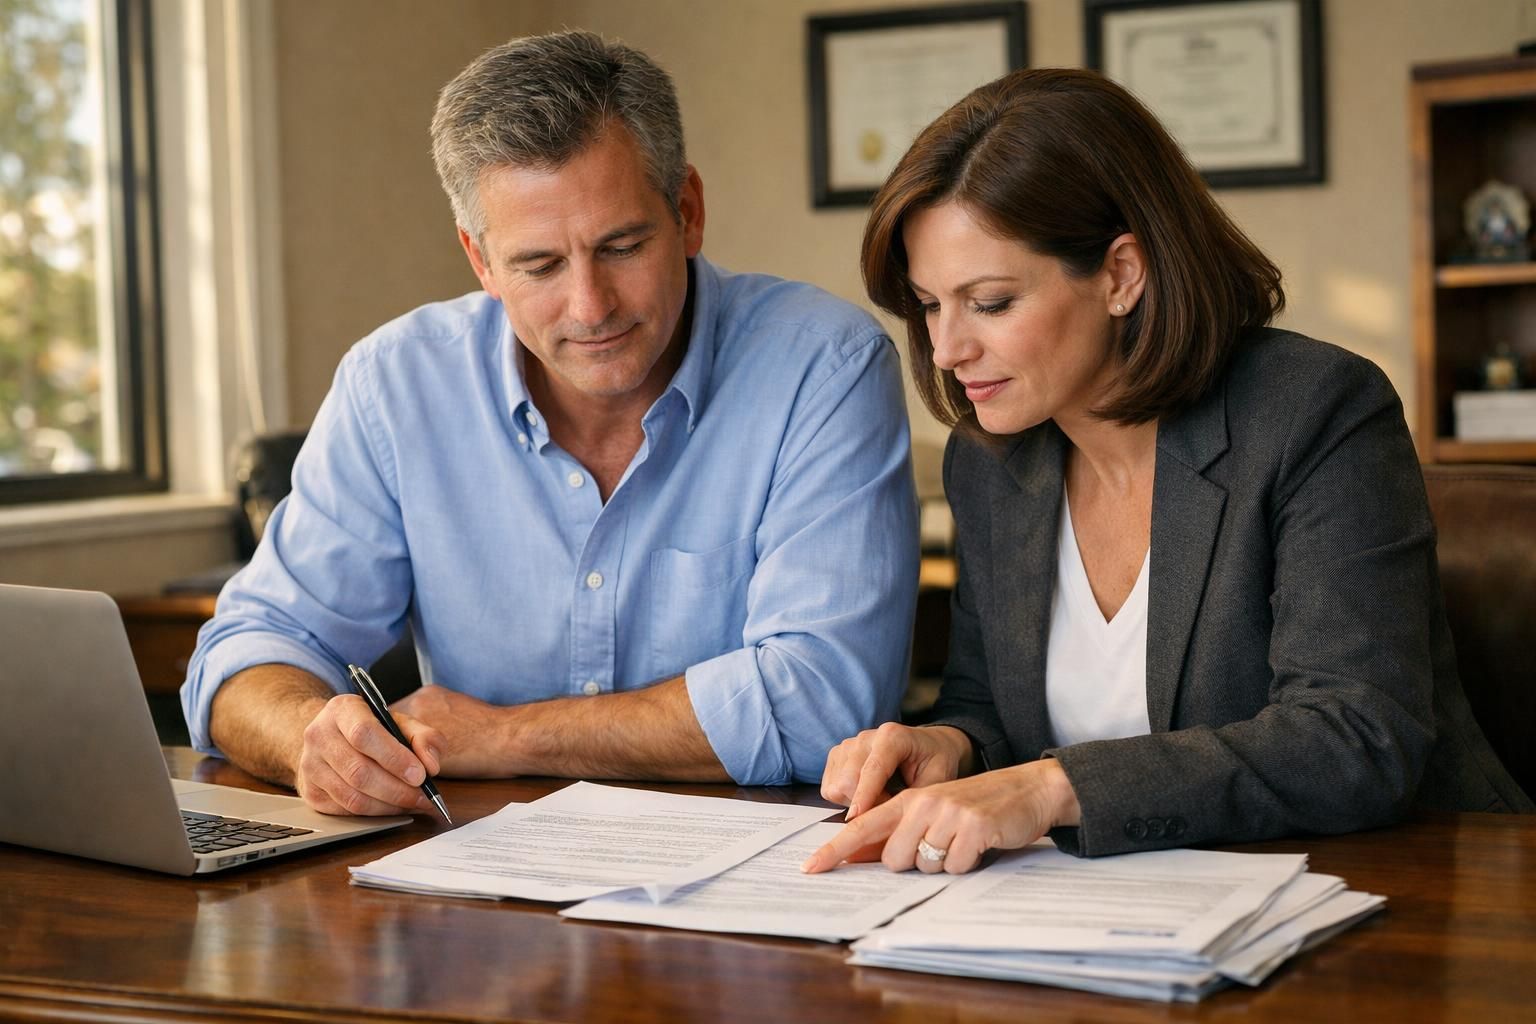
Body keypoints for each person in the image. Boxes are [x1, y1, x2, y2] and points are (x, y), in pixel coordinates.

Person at [802, 68, 1532, 877]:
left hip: (1400, 898)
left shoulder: (1317, 412)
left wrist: (1054, 788)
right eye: (930, 304)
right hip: (1119, 921)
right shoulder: (993, 462)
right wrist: (947, 743)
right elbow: (989, 707)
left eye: (991, 302)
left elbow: (1356, 737)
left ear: (1121, 274)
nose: (946, 350)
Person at [181, 30, 918, 816]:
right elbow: (246, 654)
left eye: (623, 246)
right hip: (467, 893)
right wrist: (310, 739)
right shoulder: (395, 384)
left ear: (688, 212)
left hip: (757, 895)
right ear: (480, 260)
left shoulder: (824, 367)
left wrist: (500, 736)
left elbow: (824, 702)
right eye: (539, 266)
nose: (590, 307)